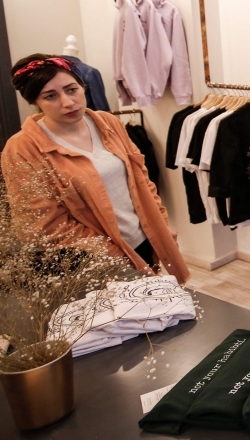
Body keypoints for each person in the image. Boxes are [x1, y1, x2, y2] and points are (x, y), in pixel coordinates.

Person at [1, 54, 190, 283]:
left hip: (143, 239)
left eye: (72, 89)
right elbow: (43, 225)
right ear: (35, 102)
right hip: (95, 261)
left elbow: (141, 178)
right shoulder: (23, 148)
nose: (68, 102)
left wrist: (160, 223)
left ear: (83, 87)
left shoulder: (107, 123)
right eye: (50, 96)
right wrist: (113, 254)